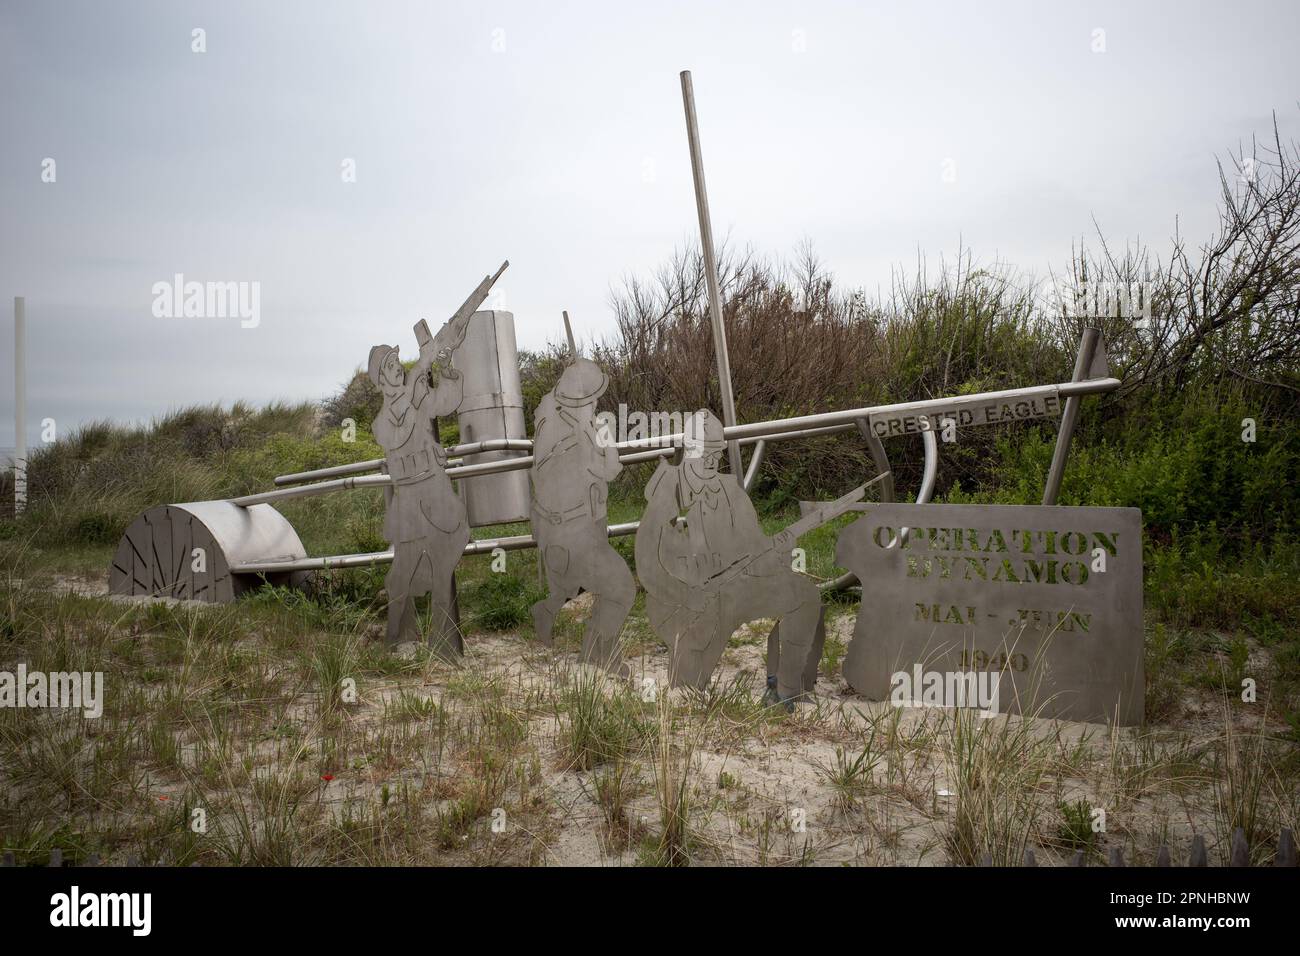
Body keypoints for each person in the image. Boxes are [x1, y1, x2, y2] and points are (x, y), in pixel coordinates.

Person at [635, 409, 823, 702]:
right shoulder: (668, 491)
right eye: (704, 452)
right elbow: (648, 564)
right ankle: (687, 681)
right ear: (688, 449)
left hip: (735, 589)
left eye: (716, 453)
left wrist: (780, 549)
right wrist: (688, 595)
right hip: (683, 599)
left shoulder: (730, 491)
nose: (711, 461)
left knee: (803, 594)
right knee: (688, 691)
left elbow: (754, 550)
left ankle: (785, 690)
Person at [529, 313, 635, 671]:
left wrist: (596, 428)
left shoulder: (567, 416)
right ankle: (596, 652)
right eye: (591, 396)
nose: (595, 402)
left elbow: (608, 468)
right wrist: (599, 436)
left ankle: (584, 638)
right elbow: (606, 467)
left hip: (579, 527)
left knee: (589, 587)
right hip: (570, 530)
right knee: (620, 587)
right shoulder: (565, 429)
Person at [369, 312, 472, 656]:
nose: (398, 368)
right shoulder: (383, 420)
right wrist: (418, 373)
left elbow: (445, 402)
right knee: (403, 574)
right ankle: (399, 640)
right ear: (380, 379)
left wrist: (445, 365)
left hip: (435, 490)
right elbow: (399, 430)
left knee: (443, 565)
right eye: (391, 366)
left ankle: (445, 645)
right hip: (411, 500)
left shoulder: (416, 396)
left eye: (398, 362)